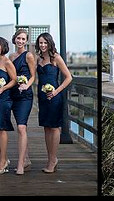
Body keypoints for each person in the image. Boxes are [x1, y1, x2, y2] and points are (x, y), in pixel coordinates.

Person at [36, 32, 73, 173]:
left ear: (50, 43)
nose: (43, 45)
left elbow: (69, 77)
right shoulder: (38, 59)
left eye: (45, 42)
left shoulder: (56, 57)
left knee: (54, 127)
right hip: (42, 97)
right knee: (46, 127)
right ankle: (50, 158)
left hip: (55, 96)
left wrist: (57, 91)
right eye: (40, 43)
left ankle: (53, 159)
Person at [9, 28, 36, 174]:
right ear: (15, 39)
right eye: (18, 38)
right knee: (21, 129)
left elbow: (33, 76)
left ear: (26, 41)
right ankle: (26, 159)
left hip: (25, 95)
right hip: (13, 94)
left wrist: (27, 85)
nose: (20, 41)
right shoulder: (11, 56)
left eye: (23, 39)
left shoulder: (29, 56)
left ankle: (20, 164)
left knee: (21, 127)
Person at [0, 36, 17, 174]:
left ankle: (2, 161)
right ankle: (4, 158)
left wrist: (4, 88)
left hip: (4, 99)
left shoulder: (7, 62)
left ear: (3, 46)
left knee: (1, 128)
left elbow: (14, 80)